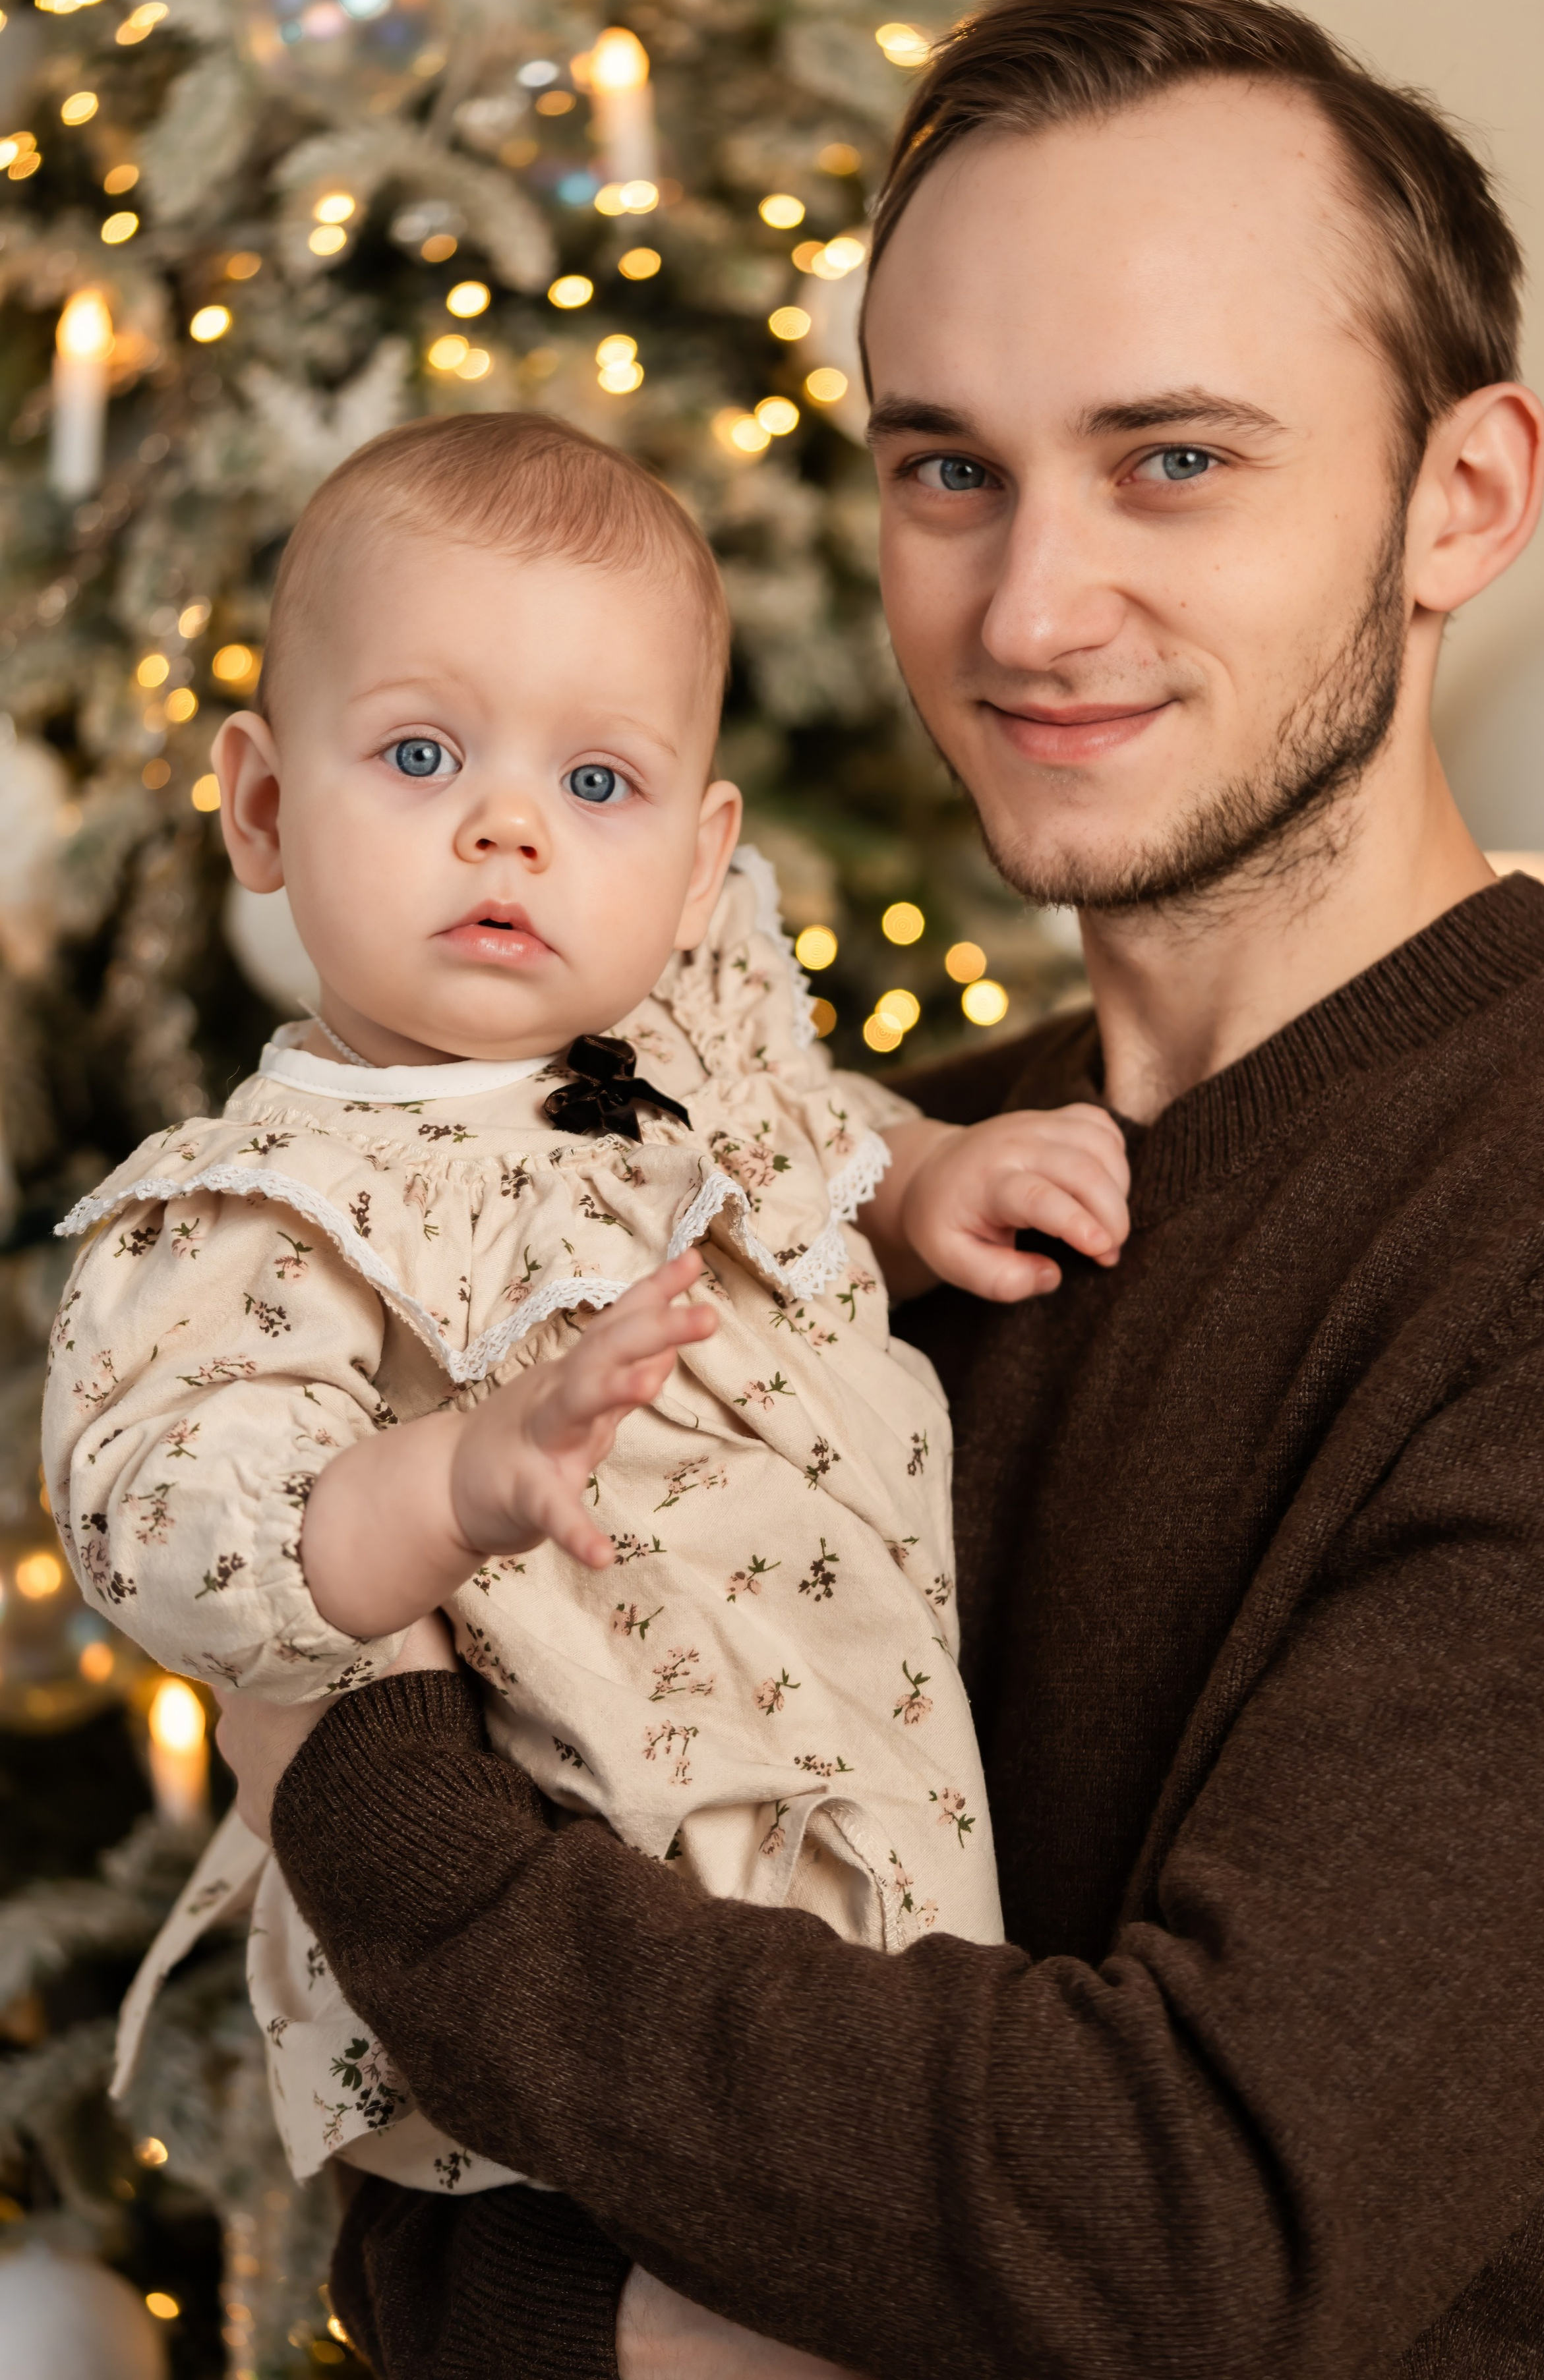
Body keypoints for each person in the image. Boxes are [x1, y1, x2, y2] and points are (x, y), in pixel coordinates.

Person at [218, 0, 1544, 2380]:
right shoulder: (818, 1181)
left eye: (1175, 461)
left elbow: (1186, 2228)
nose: (1028, 611)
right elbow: (414, 2213)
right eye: (946, 468)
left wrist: (354, 1785)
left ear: (1465, 496)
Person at [42, 411, 1129, 2194]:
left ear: (701, 866)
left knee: (905, 2168)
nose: (507, 832)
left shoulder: (687, 1072)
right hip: (565, 1894)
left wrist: (926, 1184)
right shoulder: (267, 1207)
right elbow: (174, 1530)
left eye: (596, 787)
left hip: (861, 1795)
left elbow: (803, 1172)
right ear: (260, 805)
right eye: (418, 752)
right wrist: (449, 1485)